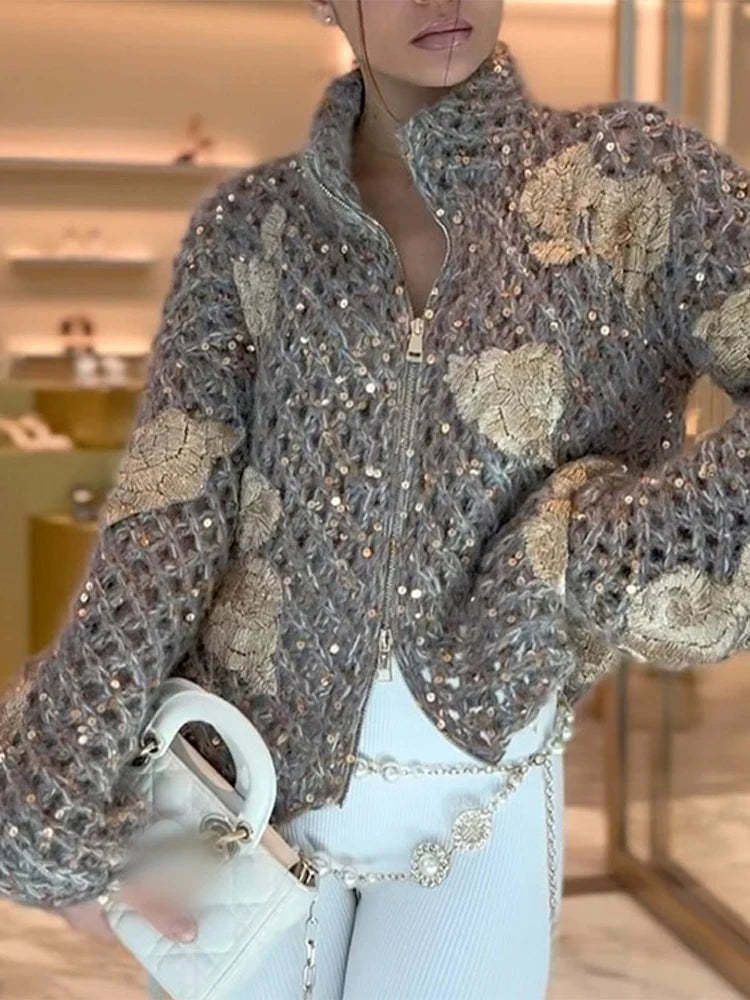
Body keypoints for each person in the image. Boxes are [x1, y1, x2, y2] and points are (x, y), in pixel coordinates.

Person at [1, 1, 749, 998]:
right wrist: (58, 788)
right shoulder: (252, 231)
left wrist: (585, 551)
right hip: (239, 794)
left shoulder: (632, 188)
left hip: (476, 799)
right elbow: (167, 514)